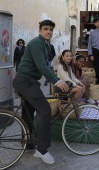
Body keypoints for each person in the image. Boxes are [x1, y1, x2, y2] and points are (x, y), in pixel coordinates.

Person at [13, 20, 69, 164]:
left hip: (30, 82)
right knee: (44, 109)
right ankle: (42, 150)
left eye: (51, 29)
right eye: (45, 29)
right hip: (25, 81)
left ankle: (28, 142)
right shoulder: (37, 43)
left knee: (28, 112)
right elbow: (41, 66)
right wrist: (57, 81)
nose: (48, 31)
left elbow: (45, 66)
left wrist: (56, 78)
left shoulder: (46, 45)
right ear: (40, 31)